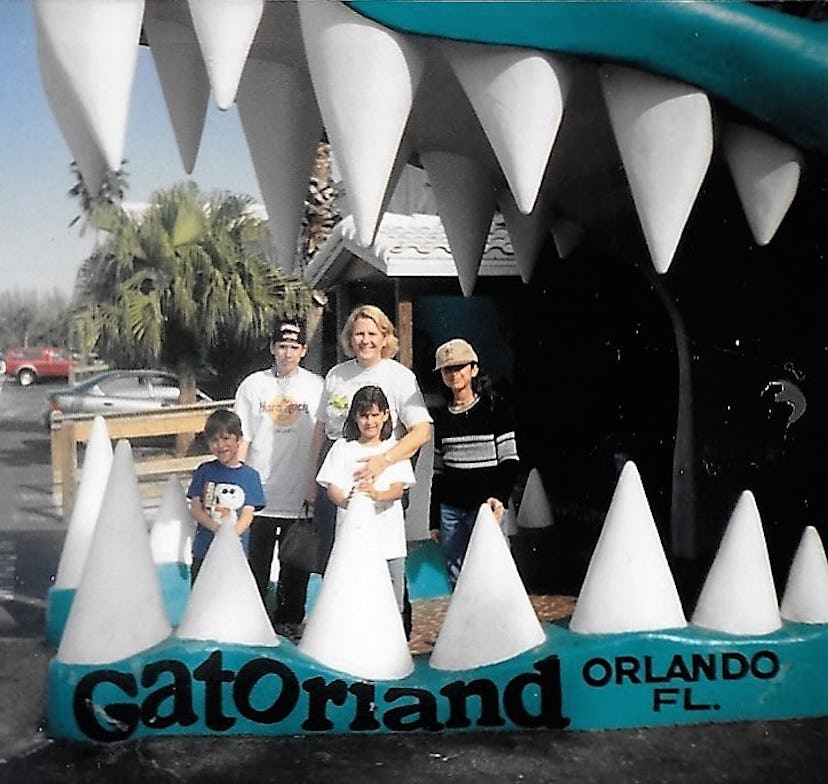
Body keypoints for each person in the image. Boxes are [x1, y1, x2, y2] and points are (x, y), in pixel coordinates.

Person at [306, 304, 432, 637]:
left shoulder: (399, 376)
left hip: (386, 473)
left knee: (388, 552)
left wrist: (384, 461)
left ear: (385, 337)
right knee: (339, 554)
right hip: (340, 470)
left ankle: (395, 632)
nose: (365, 340)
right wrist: (311, 481)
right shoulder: (337, 375)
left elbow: (421, 430)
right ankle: (343, 629)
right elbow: (322, 429)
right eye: (358, 333)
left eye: (372, 333)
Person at [235, 319, 323, 638]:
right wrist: (239, 484)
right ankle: (254, 618)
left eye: (294, 347)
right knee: (255, 564)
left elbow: (324, 434)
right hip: (260, 495)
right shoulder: (252, 386)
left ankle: (289, 619)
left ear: (304, 350)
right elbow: (242, 436)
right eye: (282, 346)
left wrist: (315, 486)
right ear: (273, 348)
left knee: (294, 565)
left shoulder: (317, 387)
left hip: (298, 494)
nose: (287, 353)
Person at [316, 385, 416, 614]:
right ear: (355, 417)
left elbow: (398, 489)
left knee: (392, 600)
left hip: (389, 540)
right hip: (352, 538)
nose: (369, 422)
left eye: (374, 415)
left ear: (385, 415)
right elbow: (331, 486)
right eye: (364, 416)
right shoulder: (342, 448)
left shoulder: (394, 449)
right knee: (353, 596)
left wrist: (375, 495)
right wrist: (346, 502)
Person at [428, 338, 519, 586]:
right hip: (452, 511)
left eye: (460, 367)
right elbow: (439, 471)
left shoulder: (494, 408)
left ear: (473, 369)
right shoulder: (442, 417)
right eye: (448, 369)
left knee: (496, 570)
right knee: (456, 573)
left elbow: (509, 460)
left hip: (486, 506)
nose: (454, 374)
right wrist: (434, 518)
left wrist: (499, 497)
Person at [187, 408, 266, 585]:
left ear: (238, 440)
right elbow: (196, 507)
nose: (221, 446)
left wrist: (231, 535)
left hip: (235, 552)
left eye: (226, 438)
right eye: (214, 440)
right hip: (204, 550)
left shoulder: (250, 476)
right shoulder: (204, 471)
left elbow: (247, 514)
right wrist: (216, 529)